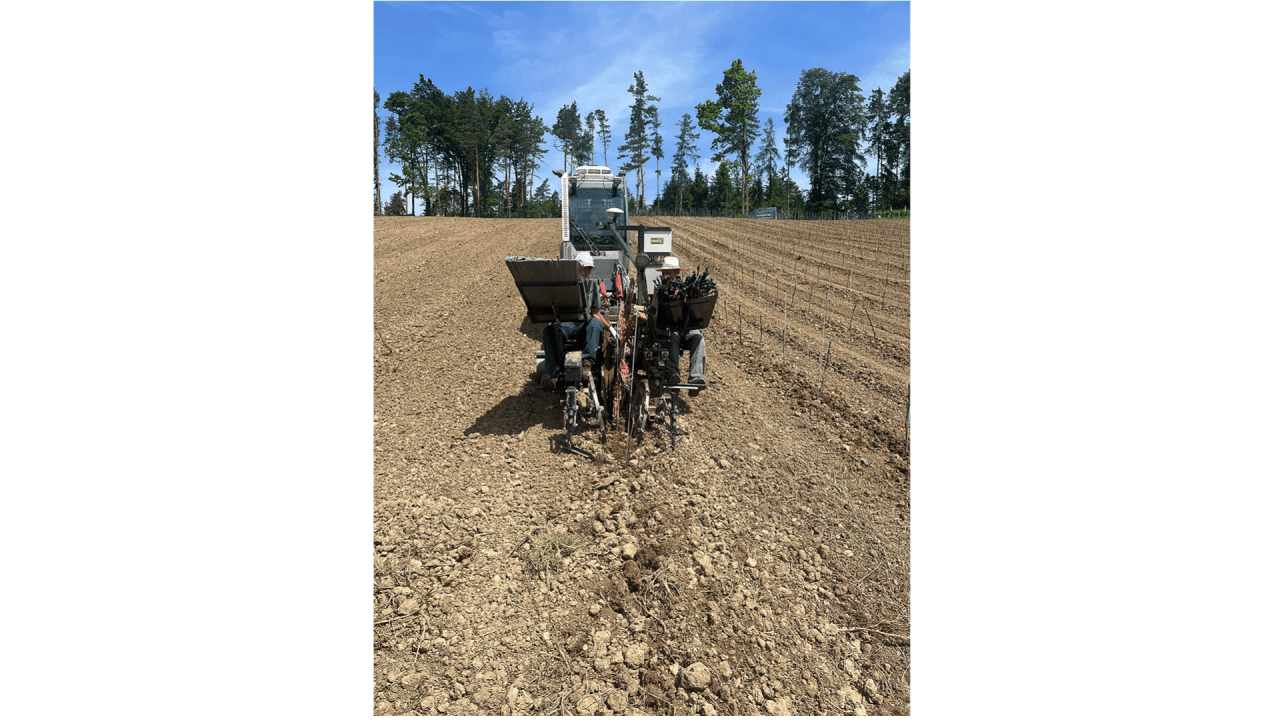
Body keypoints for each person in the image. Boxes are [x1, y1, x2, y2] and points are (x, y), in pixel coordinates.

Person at [541, 252, 611, 387]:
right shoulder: (562, 285)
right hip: (565, 324)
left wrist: (611, 328)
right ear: (576, 267)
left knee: (595, 323)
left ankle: (586, 363)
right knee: (549, 330)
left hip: (583, 325)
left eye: (590, 268)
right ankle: (552, 374)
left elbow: (596, 313)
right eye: (585, 267)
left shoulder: (592, 287)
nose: (588, 271)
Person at [642, 255, 707, 396]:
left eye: (669, 272)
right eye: (664, 273)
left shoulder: (686, 289)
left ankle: (696, 378)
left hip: (686, 327)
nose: (666, 275)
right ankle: (673, 375)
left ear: (677, 273)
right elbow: (654, 314)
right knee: (673, 337)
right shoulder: (658, 291)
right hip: (669, 329)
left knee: (698, 337)